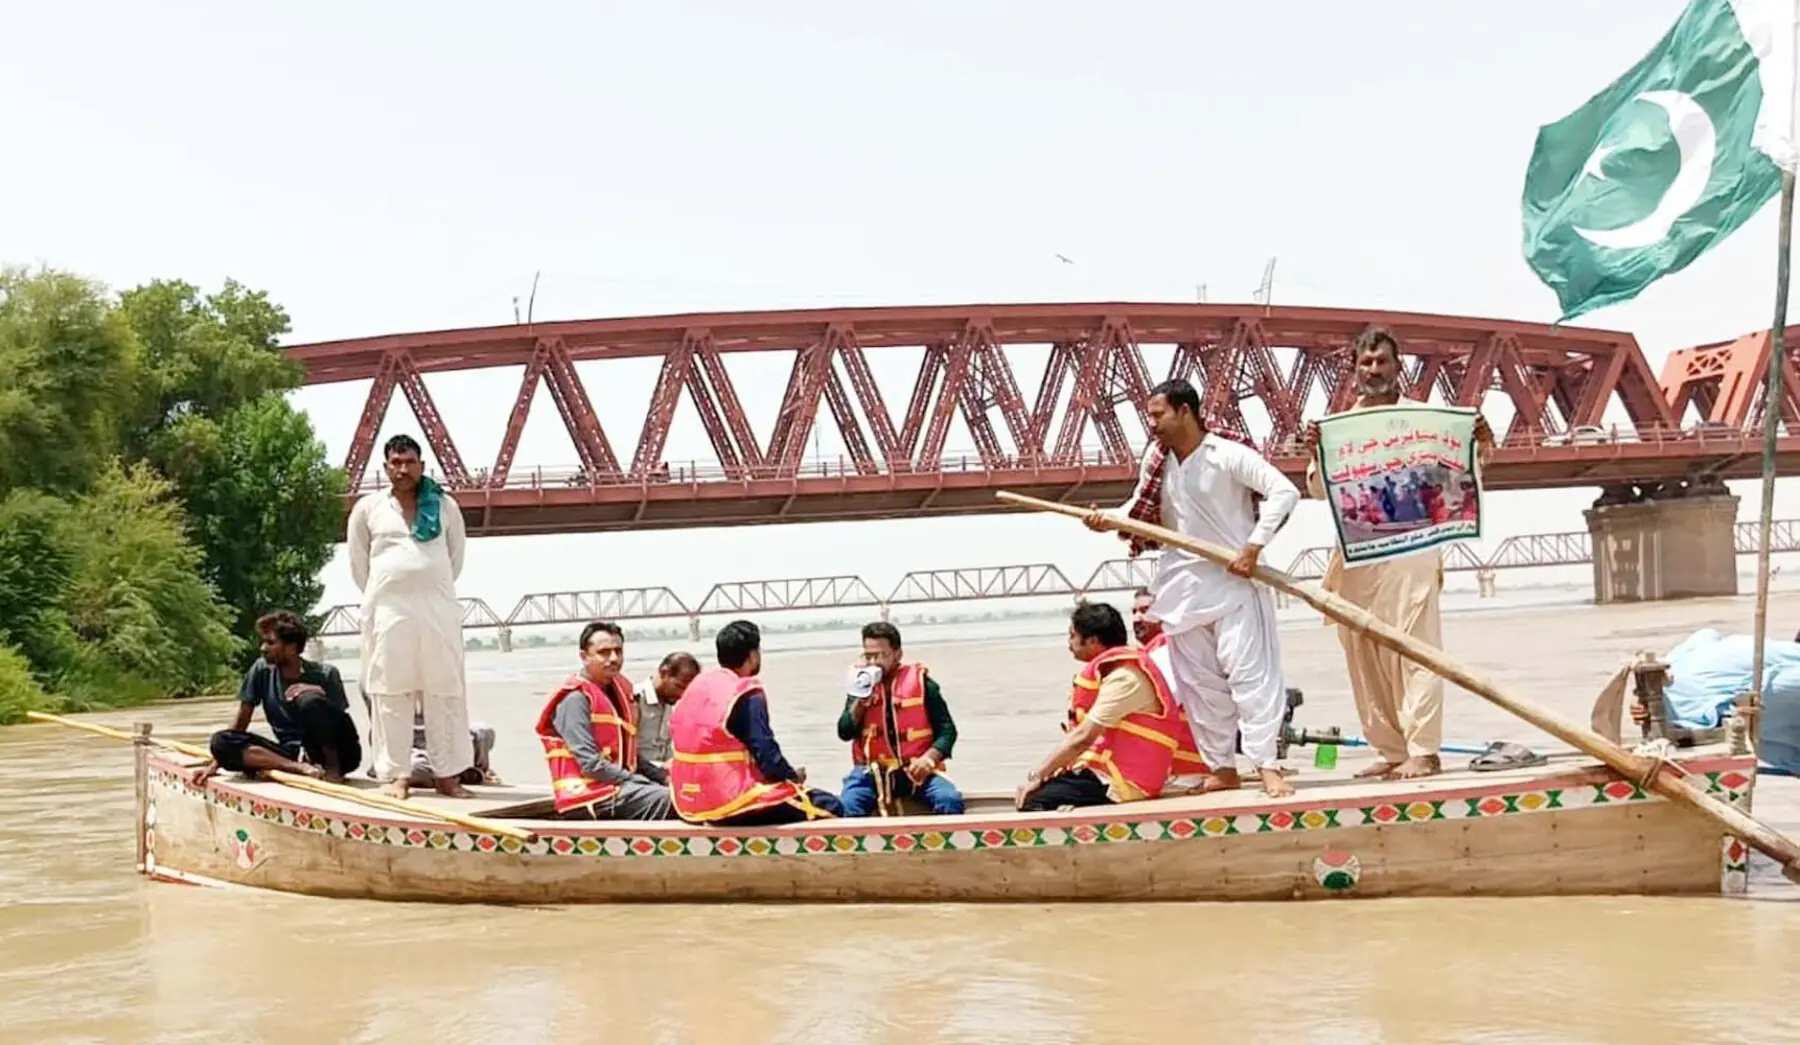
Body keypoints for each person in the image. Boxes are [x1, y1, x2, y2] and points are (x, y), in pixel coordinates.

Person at [1084, 378, 1301, 798]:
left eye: (1158, 414)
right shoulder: (1158, 460)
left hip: (1234, 582)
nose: (1152, 424)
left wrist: (1252, 548)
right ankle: (1221, 768)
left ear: (1186, 411)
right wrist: (1107, 518)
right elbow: (1137, 510)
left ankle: (1267, 766)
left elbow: (1283, 491)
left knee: (1250, 677)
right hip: (1182, 587)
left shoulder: (1227, 454)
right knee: (1200, 684)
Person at [1299, 327, 1495, 781]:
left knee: (1416, 649)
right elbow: (1316, 491)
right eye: (1365, 364)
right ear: (1355, 370)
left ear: (1396, 366)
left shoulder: (1425, 420)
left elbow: (1460, 473)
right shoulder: (1340, 428)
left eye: (1381, 362)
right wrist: (1316, 454)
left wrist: (1481, 441)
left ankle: (1423, 750)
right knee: (1363, 653)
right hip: (1358, 555)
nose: (1374, 371)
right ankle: (1389, 749)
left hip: (1412, 550)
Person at [346, 433, 473, 800]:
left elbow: (454, 558)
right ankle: (396, 775)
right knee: (390, 693)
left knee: (445, 691)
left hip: (437, 611)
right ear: (386, 467)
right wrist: (389, 590)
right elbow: (359, 565)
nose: (402, 469)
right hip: (389, 613)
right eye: (395, 463)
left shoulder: (445, 506)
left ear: (422, 465)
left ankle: (448, 776)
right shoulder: (368, 509)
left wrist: (425, 584)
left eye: (409, 462)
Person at [667, 619, 843, 825]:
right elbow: (768, 757)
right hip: (731, 803)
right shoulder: (745, 694)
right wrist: (792, 777)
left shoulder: (697, 687)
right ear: (752, 656)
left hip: (688, 802)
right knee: (831, 806)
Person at [1016, 603, 1188, 811]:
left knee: (1033, 801)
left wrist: (1037, 775)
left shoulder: (1125, 678)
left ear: (1093, 641)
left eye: (1072, 636)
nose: (1069, 644)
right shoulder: (1114, 672)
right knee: (1044, 790)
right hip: (1107, 775)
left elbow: (1083, 737)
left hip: (1124, 783)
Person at [196, 611, 361, 785]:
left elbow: (338, 725)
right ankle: (296, 767)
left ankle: (331, 770)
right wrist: (216, 762)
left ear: (291, 647)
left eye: (270, 642)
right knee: (221, 741)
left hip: (337, 755)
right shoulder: (262, 669)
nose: (262, 648)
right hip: (289, 752)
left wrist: (318, 692)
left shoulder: (327, 674)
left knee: (310, 700)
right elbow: (242, 718)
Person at [534, 621, 676, 820]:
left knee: (686, 791)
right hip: (590, 797)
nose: (614, 658)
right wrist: (640, 782)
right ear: (584, 656)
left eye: (618, 651)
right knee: (669, 799)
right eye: (604, 652)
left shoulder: (618, 693)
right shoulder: (575, 699)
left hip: (619, 787)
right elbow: (590, 764)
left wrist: (663, 776)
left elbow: (630, 757)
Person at [837, 622, 964, 817]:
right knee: (847, 807)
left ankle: (940, 847)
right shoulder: (860, 685)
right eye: (869, 655)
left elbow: (947, 731)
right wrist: (860, 703)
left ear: (898, 654)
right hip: (872, 775)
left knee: (949, 800)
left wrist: (928, 760)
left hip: (916, 771)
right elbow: (845, 732)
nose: (874, 662)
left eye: (881, 655)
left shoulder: (924, 684)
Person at [634, 651, 701, 767]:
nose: (681, 695)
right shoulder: (635, 700)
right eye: (679, 687)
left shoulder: (670, 701)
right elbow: (625, 752)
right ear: (664, 673)